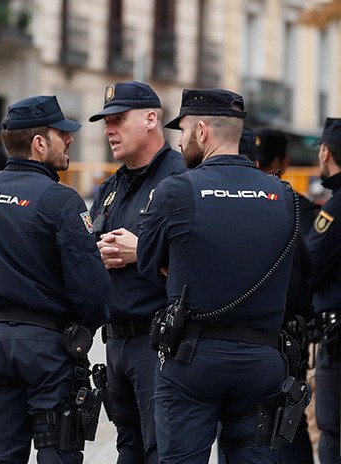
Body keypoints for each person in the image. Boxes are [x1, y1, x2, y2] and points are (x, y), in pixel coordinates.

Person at [137, 89, 299, 463]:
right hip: (262, 359)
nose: (179, 141)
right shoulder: (284, 196)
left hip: (193, 359)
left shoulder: (177, 191)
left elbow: (148, 264)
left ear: (203, 132)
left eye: (183, 131)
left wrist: (179, 263)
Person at [0, 95, 110, 464]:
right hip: (47, 347)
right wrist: (89, 323)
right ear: (40, 144)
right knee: (58, 451)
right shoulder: (61, 201)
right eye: (63, 134)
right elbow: (92, 291)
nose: (70, 141)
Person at [87, 81, 186, 464]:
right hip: (116, 342)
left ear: (150, 119)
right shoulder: (111, 186)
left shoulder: (180, 180)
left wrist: (140, 251)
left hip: (158, 341)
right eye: (106, 122)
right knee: (127, 449)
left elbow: (201, 261)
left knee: (161, 450)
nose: (109, 129)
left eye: (118, 120)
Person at [252, 128, 318, 464]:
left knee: (286, 430)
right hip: (265, 338)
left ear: (282, 165)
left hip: (281, 340)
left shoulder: (299, 208)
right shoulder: (298, 207)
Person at [306, 117, 341, 464]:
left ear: (327, 153)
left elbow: (309, 268)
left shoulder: (334, 209)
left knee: (333, 432)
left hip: (337, 340)